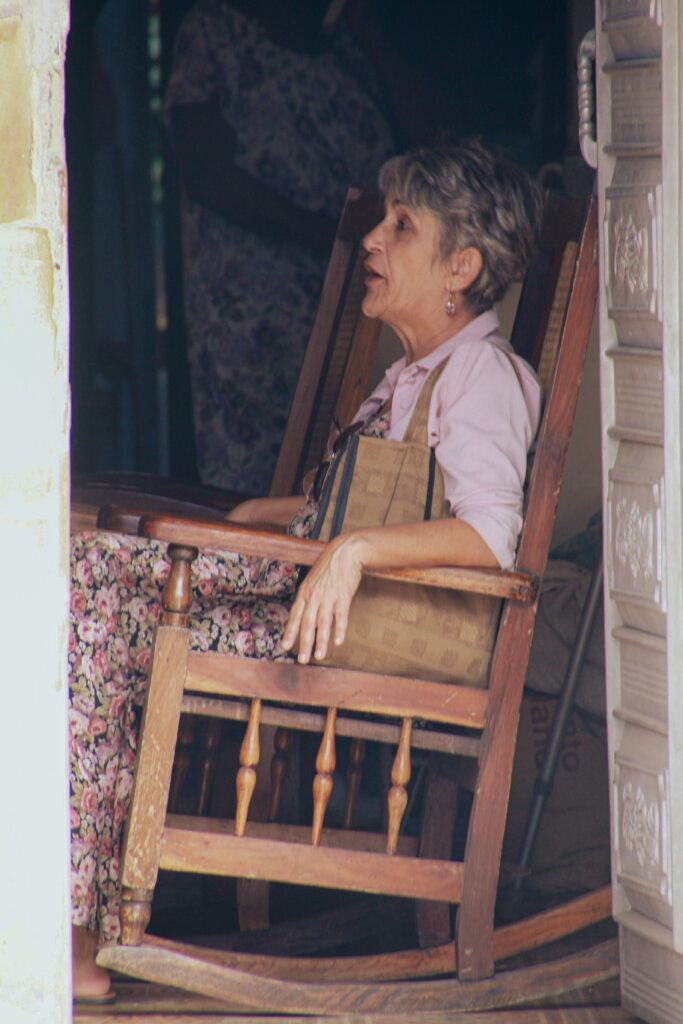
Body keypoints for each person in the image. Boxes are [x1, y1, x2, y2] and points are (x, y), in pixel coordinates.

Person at [70, 141, 543, 1001]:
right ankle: (76, 909)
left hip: (381, 634)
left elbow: (490, 535)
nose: (371, 239)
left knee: (101, 612)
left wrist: (351, 552)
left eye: (401, 227)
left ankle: (79, 926)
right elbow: (371, 500)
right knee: (94, 573)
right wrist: (279, 517)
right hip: (322, 607)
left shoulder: (480, 374)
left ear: (460, 266)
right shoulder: (414, 372)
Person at [165, 0, 396, 494]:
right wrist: (325, 234)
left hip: (354, 309)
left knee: (341, 471)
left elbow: (429, 143)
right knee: (253, 483)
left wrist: (371, 35)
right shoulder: (216, 34)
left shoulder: (347, 52)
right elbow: (207, 174)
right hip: (254, 323)